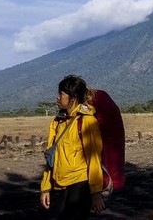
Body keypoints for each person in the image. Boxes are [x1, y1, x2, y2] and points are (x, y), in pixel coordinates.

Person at [40, 75, 107, 219]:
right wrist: (45, 187)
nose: (57, 97)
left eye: (61, 93)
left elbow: (94, 159)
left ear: (73, 97)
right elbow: (50, 156)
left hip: (80, 184)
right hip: (60, 184)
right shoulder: (57, 122)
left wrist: (96, 193)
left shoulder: (87, 121)